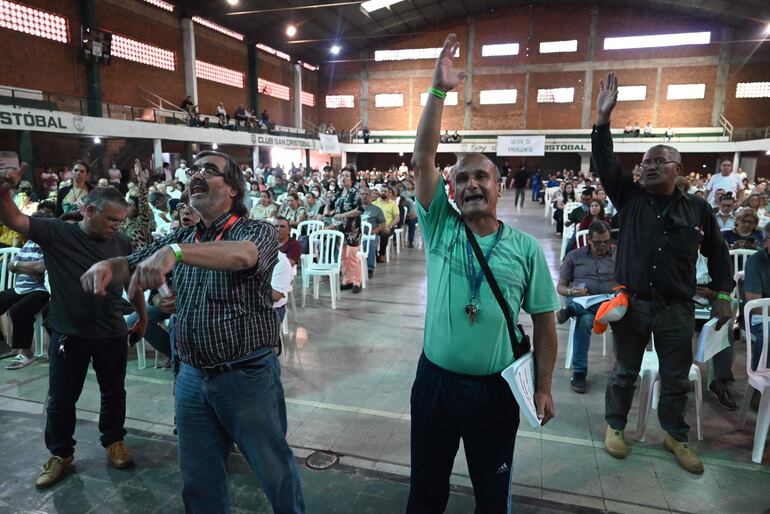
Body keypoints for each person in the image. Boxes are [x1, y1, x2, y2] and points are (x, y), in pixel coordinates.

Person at [80, 150, 305, 513]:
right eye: (194, 169)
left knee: (274, 471)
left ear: (232, 188)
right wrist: (109, 265)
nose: (197, 174)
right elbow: (131, 263)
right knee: (198, 478)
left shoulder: (256, 230)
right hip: (190, 376)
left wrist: (177, 252)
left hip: (245, 376)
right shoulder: (183, 234)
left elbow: (244, 255)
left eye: (210, 170)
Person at [407, 34, 559, 513]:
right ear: (451, 190)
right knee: (426, 491)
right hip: (434, 384)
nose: (471, 183)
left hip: (494, 391)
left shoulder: (525, 249)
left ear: (499, 187)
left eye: (481, 176)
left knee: (492, 497)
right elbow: (421, 160)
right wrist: (437, 92)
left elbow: (546, 322)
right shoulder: (440, 226)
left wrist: (544, 385)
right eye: (462, 178)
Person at [593, 72, 733, 475]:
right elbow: (605, 162)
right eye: (644, 163)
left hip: (676, 309)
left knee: (675, 378)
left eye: (658, 162)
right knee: (624, 372)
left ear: (677, 168)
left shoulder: (697, 210)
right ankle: (615, 427)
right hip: (633, 305)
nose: (649, 168)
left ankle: (675, 435)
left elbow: (719, 255)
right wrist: (603, 121)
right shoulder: (629, 197)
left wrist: (723, 294)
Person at [0, 177, 148, 488]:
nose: (116, 227)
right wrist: (4, 191)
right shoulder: (57, 232)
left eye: (120, 221)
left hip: (111, 330)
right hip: (70, 332)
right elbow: (13, 218)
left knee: (114, 391)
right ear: (89, 211)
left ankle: (113, 441)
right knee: (61, 398)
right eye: (111, 219)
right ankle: (60, 454)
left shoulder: (120, 241)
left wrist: (143, 317)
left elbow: (132, 278)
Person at [556, 221, 617, 392]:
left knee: (622, 319)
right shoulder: (575, 256)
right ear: (589, 240)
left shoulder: (617, 255)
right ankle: (580, 372)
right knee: (584, 322)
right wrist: (571, 291)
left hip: (611, 304)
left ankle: (572, 311)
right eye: (598, 243)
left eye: (606, 241)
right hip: (584, 299)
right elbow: (560, 286)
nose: (603, 246)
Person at [2, 211, 51, 370]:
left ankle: (26, 353)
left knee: (18, 311)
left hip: (40, 290)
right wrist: (25, 267)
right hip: (19, 288)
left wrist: (19, 266)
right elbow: (10, 266)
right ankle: (5, 346)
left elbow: (42, 268)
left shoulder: (47, 244)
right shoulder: (28, 243)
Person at [331, 169, 363, 293]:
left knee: (351, 256)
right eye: (342, 175)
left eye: (347, 176)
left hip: (352, 230)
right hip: (340, 229)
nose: (344, 178)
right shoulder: (338, 193)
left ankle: (357, 282)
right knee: (343, 257)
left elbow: (359, 210)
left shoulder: (355, 192)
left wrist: (343, 215)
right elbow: (331, 206)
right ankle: (347, 280)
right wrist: (329, 211)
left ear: (352, 179)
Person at [360, 188, 386, 279]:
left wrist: (374, 231)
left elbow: (383, 224)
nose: (364, 196)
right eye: (362, 194)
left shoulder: (376, 209)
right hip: (357, 235)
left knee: (370, 242)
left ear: (371, 197)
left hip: (370, 235)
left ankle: (370, 268)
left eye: (367, 194)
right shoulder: (355, 208)